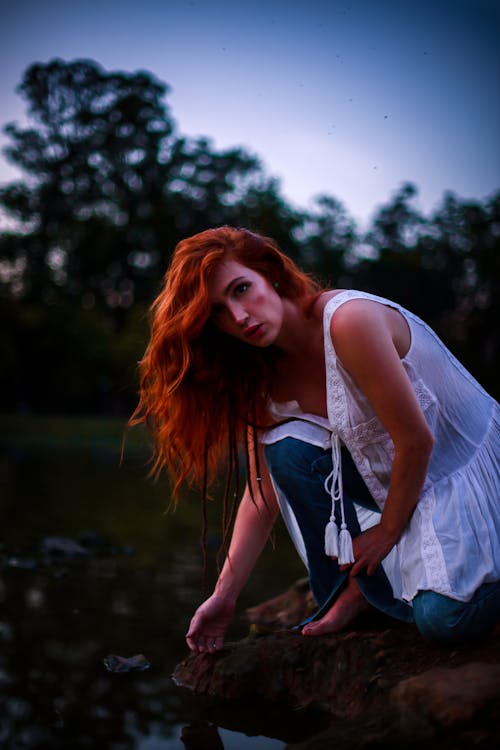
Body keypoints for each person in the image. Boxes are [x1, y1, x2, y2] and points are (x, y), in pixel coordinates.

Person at [131, 226, 500, 652]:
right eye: (217, 311)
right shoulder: (260, 380)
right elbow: (260, 496)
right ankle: (360, 589)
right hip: (403, 486)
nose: (239, 316)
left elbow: (416, 441)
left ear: (269, 273)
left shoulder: (348, 321)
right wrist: (224, 596)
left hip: (463, 473)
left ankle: (389, 590)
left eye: (242, 288)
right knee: (287, 455)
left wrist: (387, 533)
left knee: (443, 622)